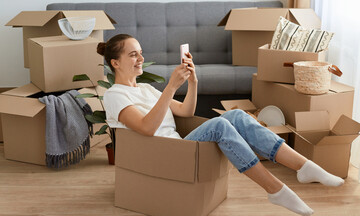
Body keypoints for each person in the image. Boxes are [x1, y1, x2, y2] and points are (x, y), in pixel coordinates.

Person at [100, 34, 344, 216]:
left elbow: (186, 111)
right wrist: (172, 86)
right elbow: (145, 128)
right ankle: (276, 189)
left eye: (141, 52)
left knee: (237, 117)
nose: (141, 58)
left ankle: (304, 167)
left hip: (178, 147)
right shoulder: (115, 95)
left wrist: (192, 82)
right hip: (163, 154)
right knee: (220, 125)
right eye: (133, 54)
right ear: (115, 63)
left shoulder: (146, 89)